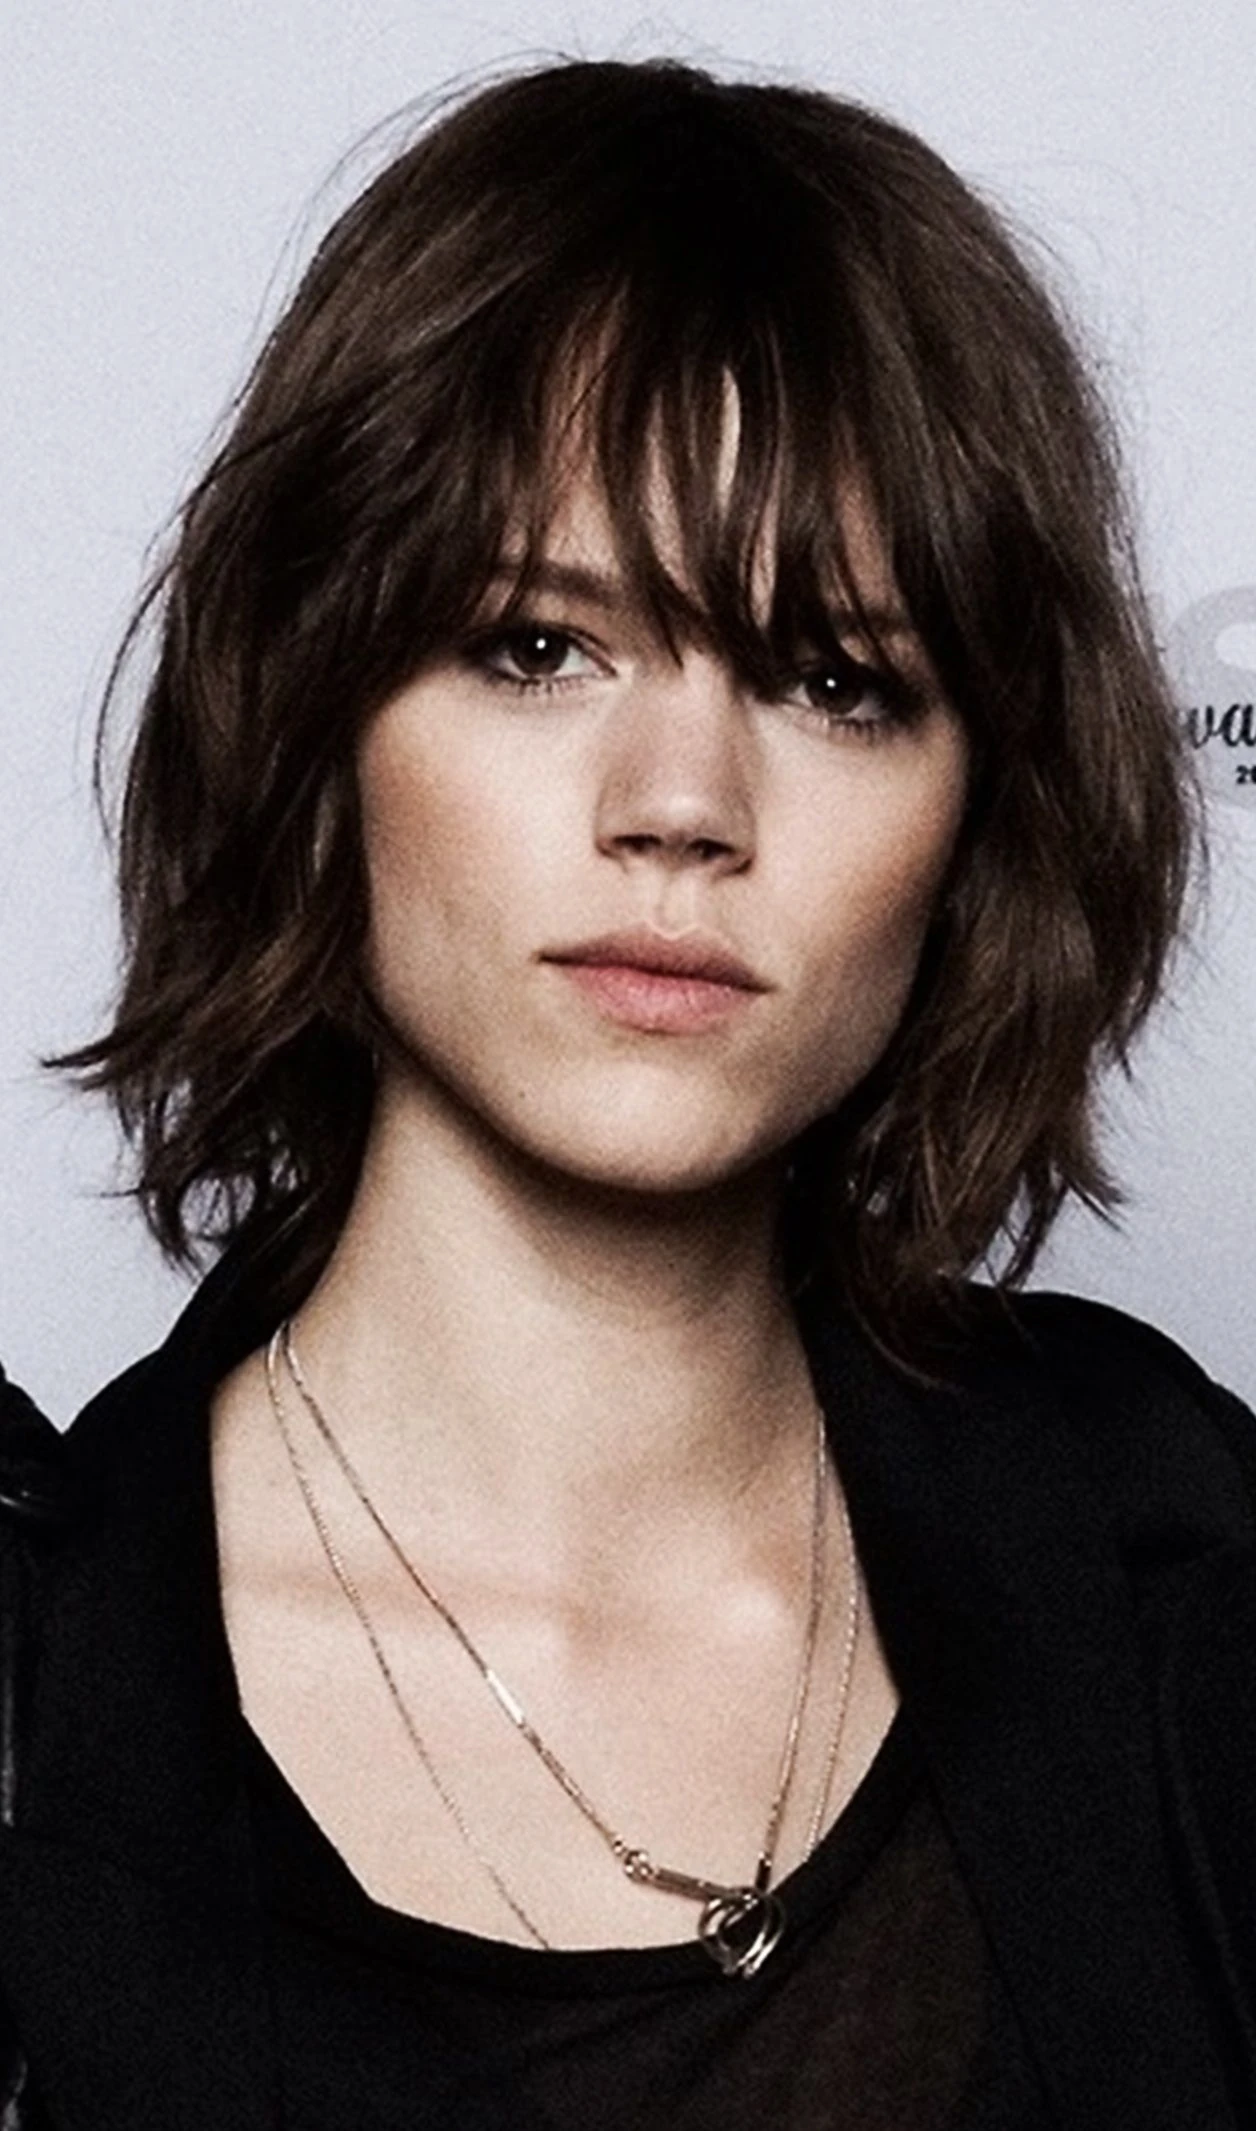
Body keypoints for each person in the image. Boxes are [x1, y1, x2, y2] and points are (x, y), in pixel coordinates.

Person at [1, 55, 1254, 2130]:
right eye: (535, 647)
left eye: (835, 682)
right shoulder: (46, 1693)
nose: (681, 805)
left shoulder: (1170, 1559)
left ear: (977, 820)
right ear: (315, 715)